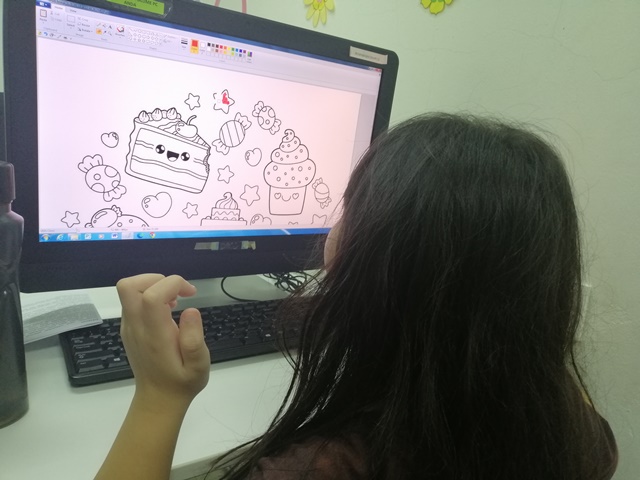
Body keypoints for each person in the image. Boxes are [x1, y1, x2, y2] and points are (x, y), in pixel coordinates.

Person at [95, 113, 618, 480]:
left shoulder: (318, 468)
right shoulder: (584, 433)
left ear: (374, 263)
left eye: (350, 208)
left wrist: (159, 397)